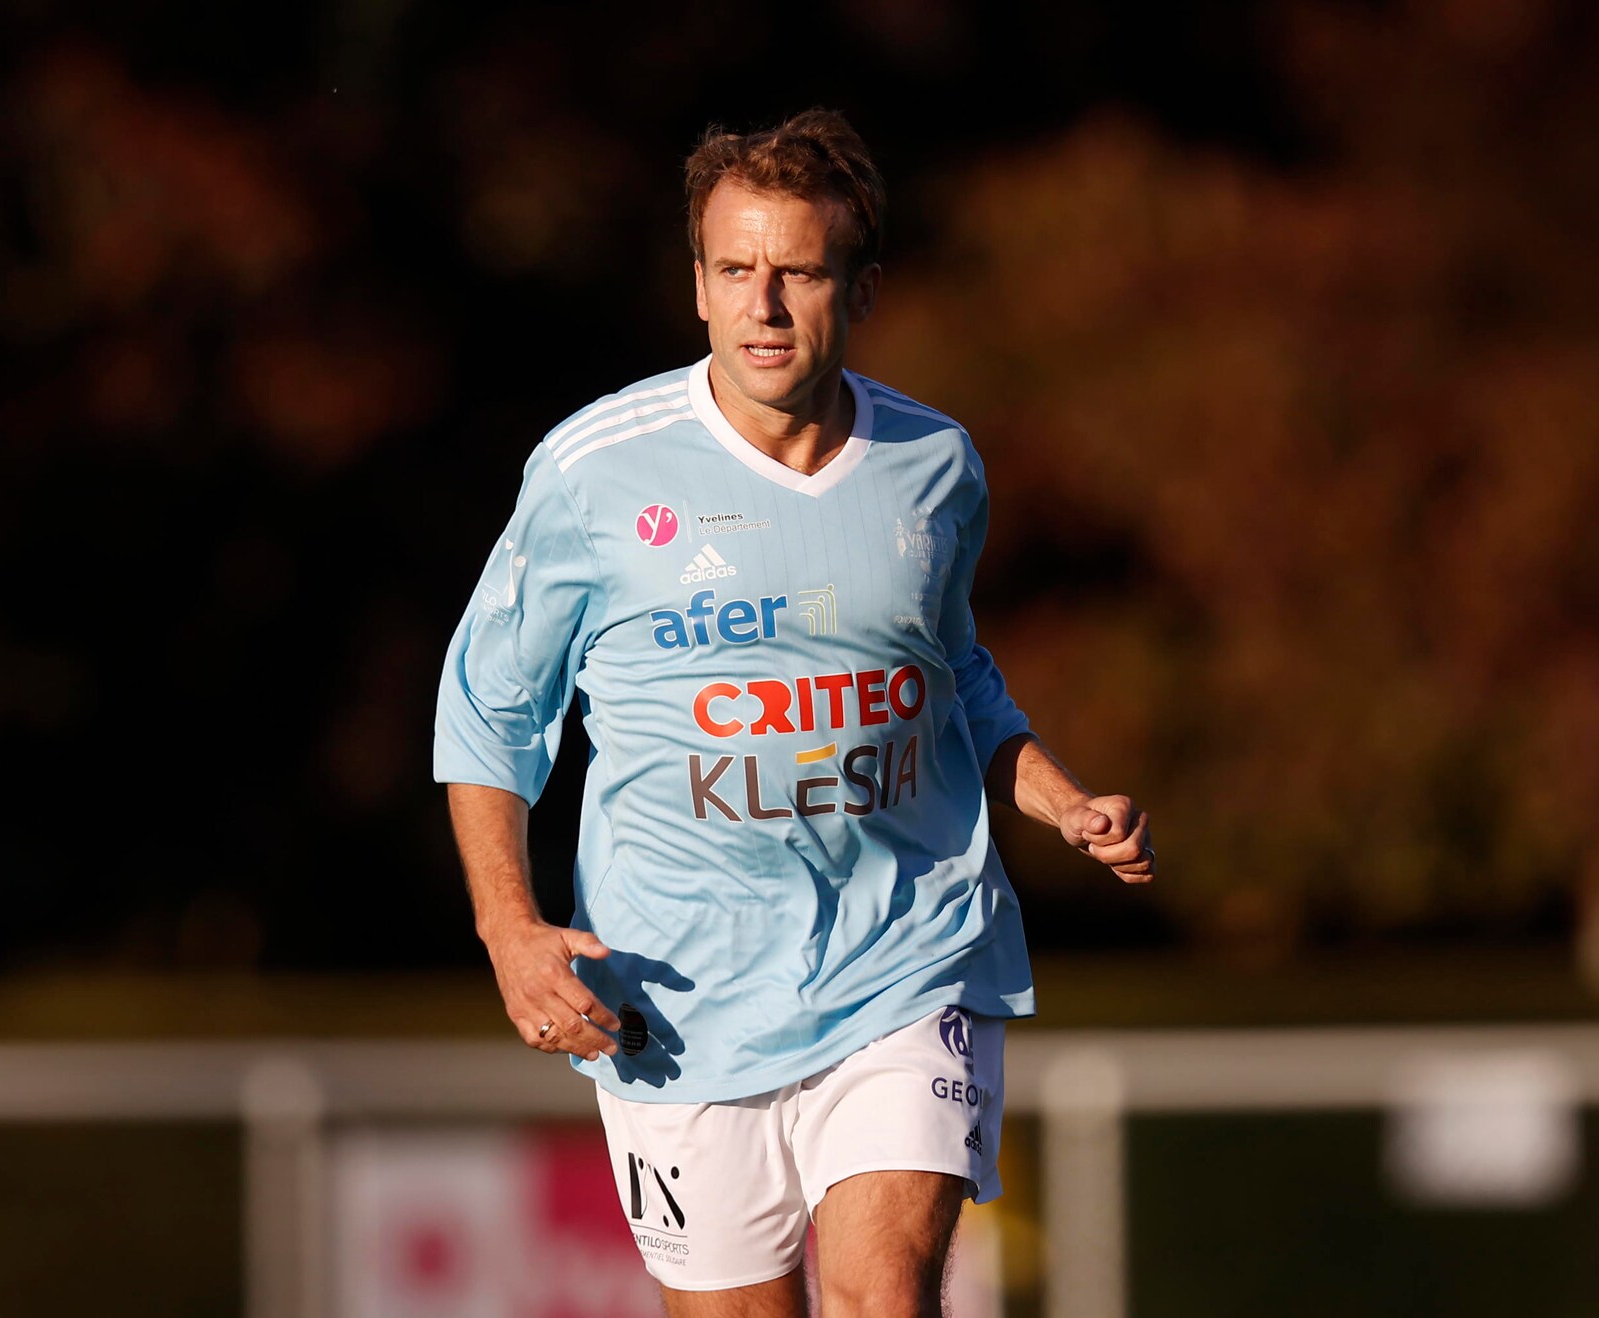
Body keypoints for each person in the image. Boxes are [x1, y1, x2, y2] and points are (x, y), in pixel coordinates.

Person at [435, 109, 1154, 1317]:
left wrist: (1060, 798)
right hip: (674, 993)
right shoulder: (592, 471)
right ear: (697, 287)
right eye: (734, 270)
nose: (762, 306)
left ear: (858, 290)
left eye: (799, 274)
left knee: (882, 1293)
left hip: (905, 954)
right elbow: (489, 711)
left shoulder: (935, 465)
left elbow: (952, 675)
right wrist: (509, 928)